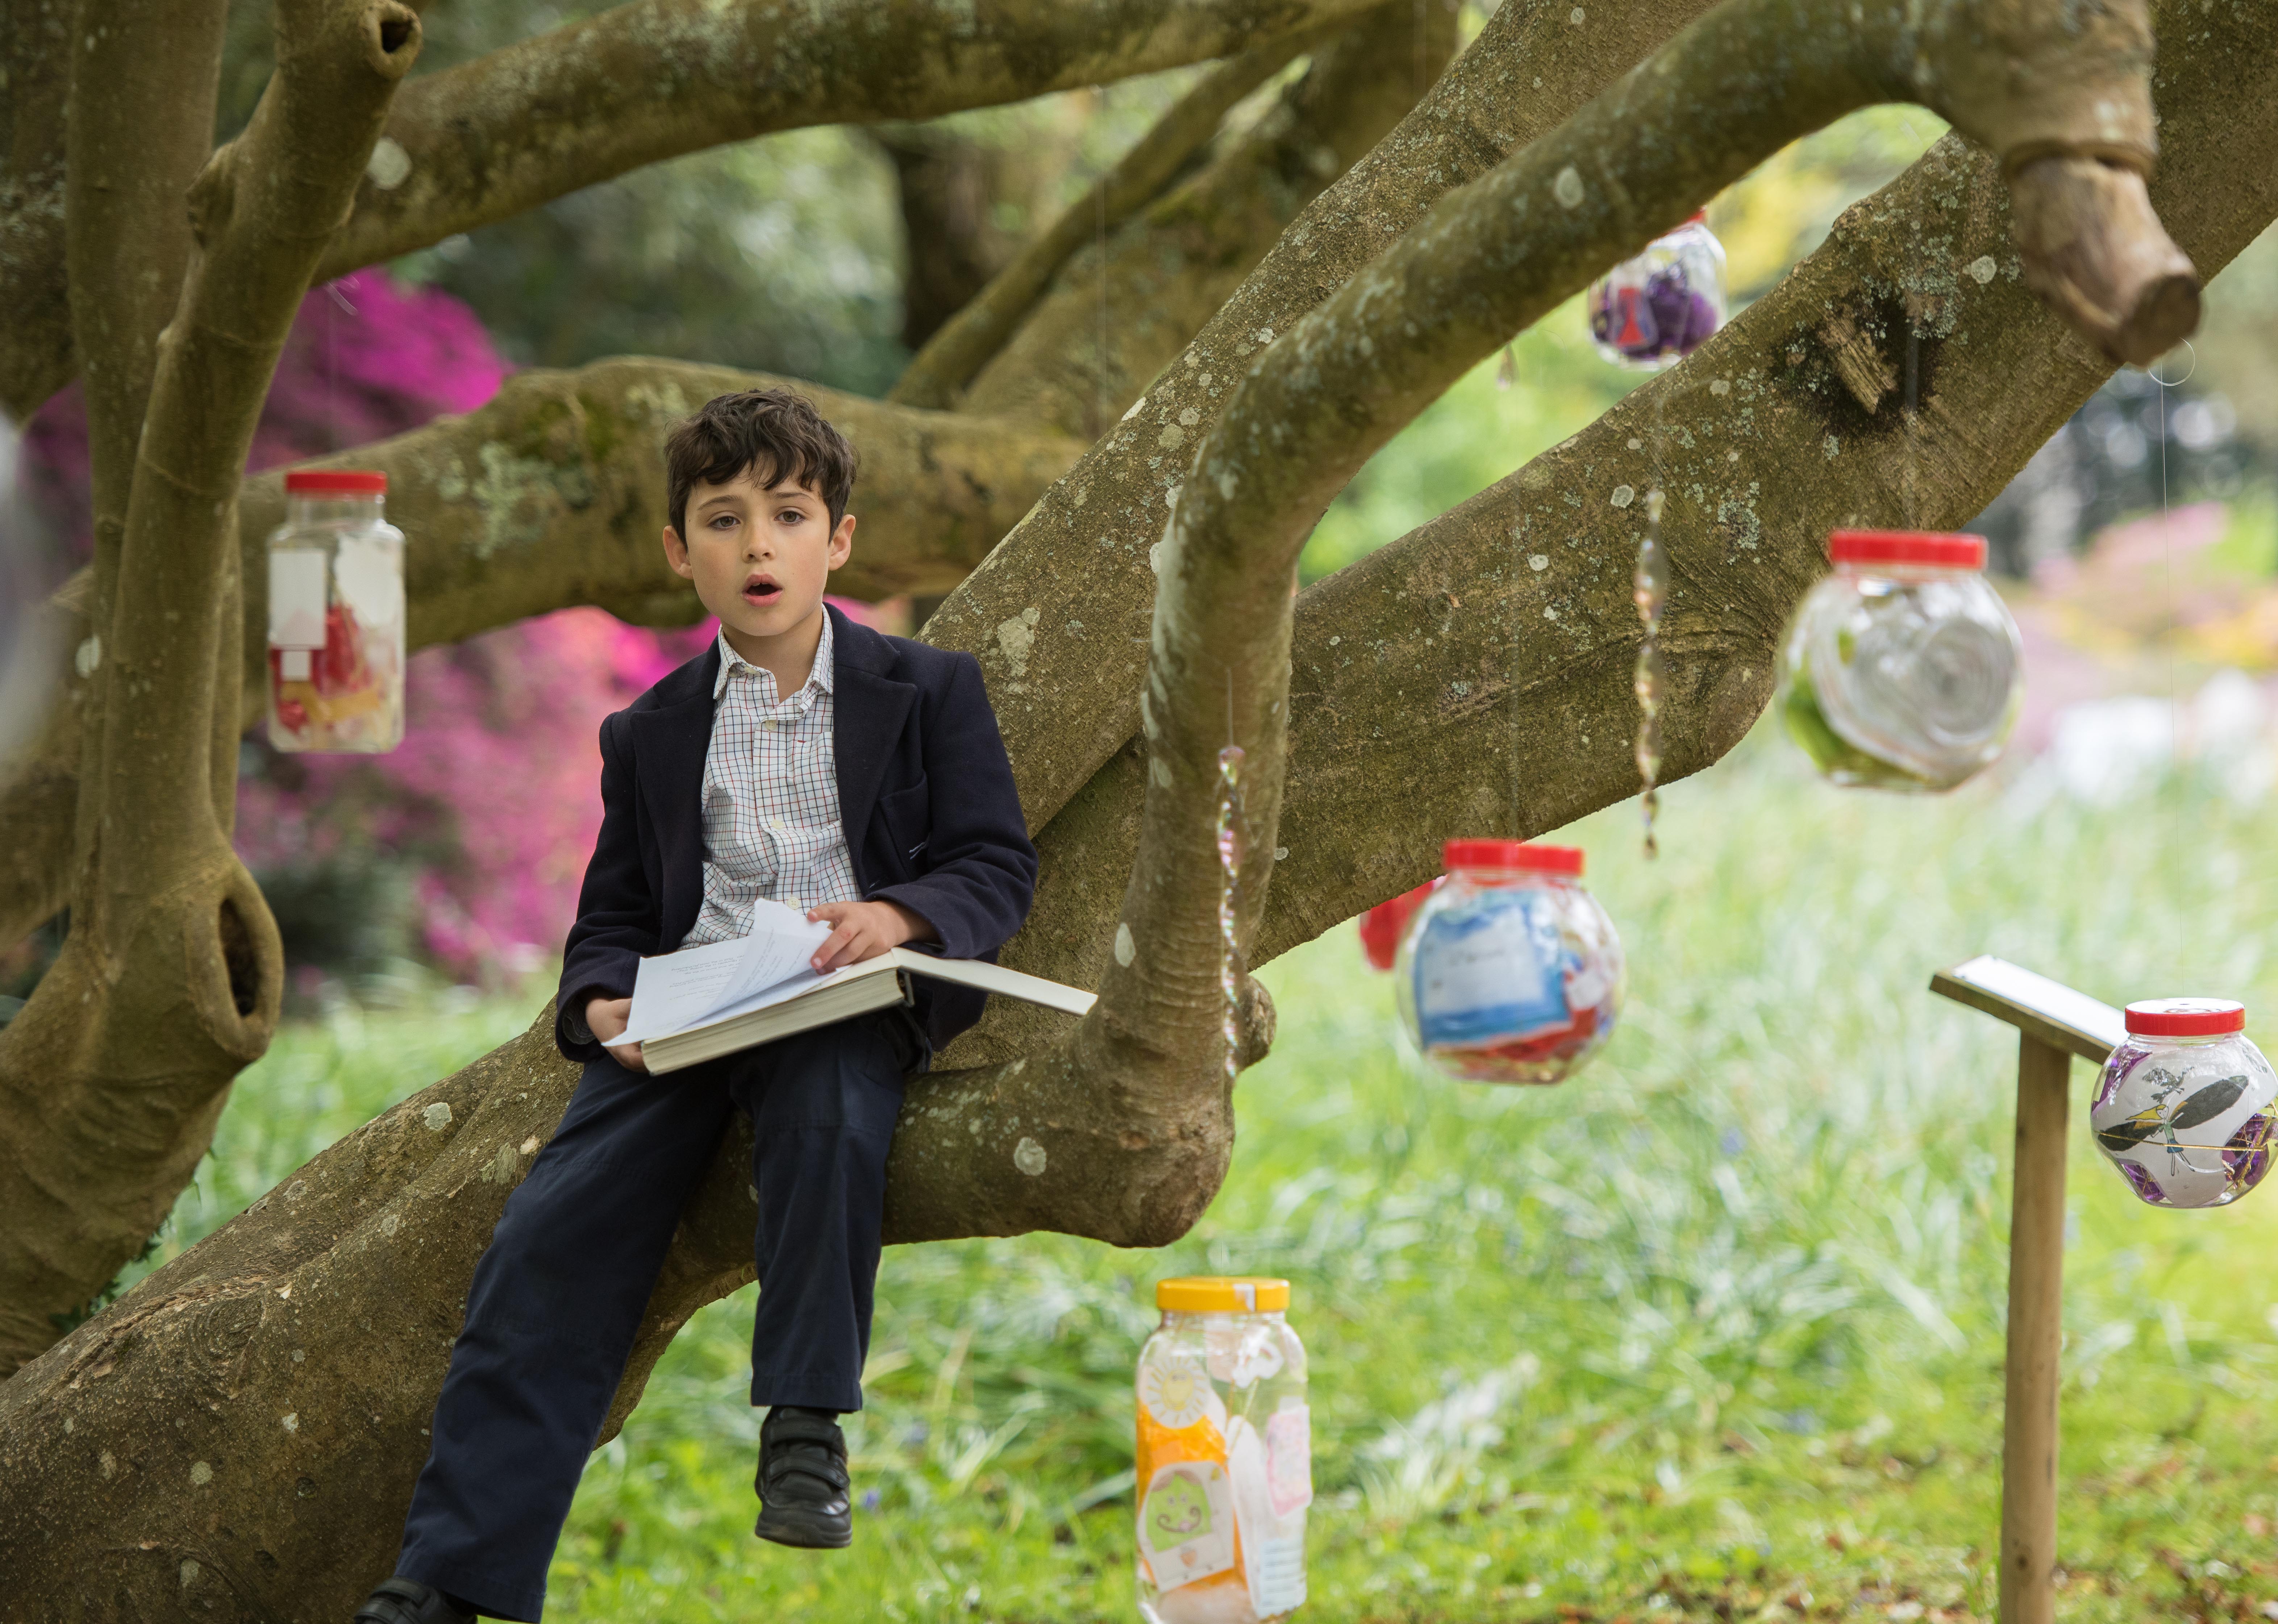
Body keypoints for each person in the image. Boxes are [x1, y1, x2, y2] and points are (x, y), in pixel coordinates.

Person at [354, 388, 1037, 1624]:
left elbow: (996, 861)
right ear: (682, 552)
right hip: (691, 1013)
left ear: (840, 539)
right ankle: (450, 1578)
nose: (758, 545)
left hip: (843, 993)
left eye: (789, 515)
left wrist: (903, 915)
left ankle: (804, 1427)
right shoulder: (651, 731)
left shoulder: (929, 689)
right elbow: (612, 917)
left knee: (830, 1118)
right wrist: (601, 1003)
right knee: (545, 1235)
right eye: (724, 520)